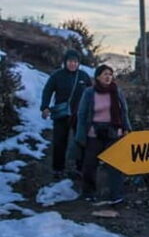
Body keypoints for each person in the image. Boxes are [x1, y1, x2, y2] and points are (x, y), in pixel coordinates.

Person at [75, 64, 132, 204]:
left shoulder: (116, 91)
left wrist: (126, 128)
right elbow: (82, 114)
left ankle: (116, 194)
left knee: (115, 164)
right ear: (98, 77)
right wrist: (81, 134)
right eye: (105, 74)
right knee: (90, 164)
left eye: (110, 74)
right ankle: (88, 193)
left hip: (113, 131)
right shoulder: (89, 93)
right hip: (94, 132)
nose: (108, 77)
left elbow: (123, 111)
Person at [39, 49, 92, 179]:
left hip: (79, 115)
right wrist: (45, 107)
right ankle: (58, 168)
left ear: (78, 63)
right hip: (62, 114)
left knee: (81, 141)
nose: (72, 64)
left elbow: (91, 93)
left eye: (75, 62)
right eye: (70, 61)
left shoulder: (83, 76)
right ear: (65, 62)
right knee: (59, 142)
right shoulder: (57, 75)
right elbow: (47, 91)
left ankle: (80, 168)